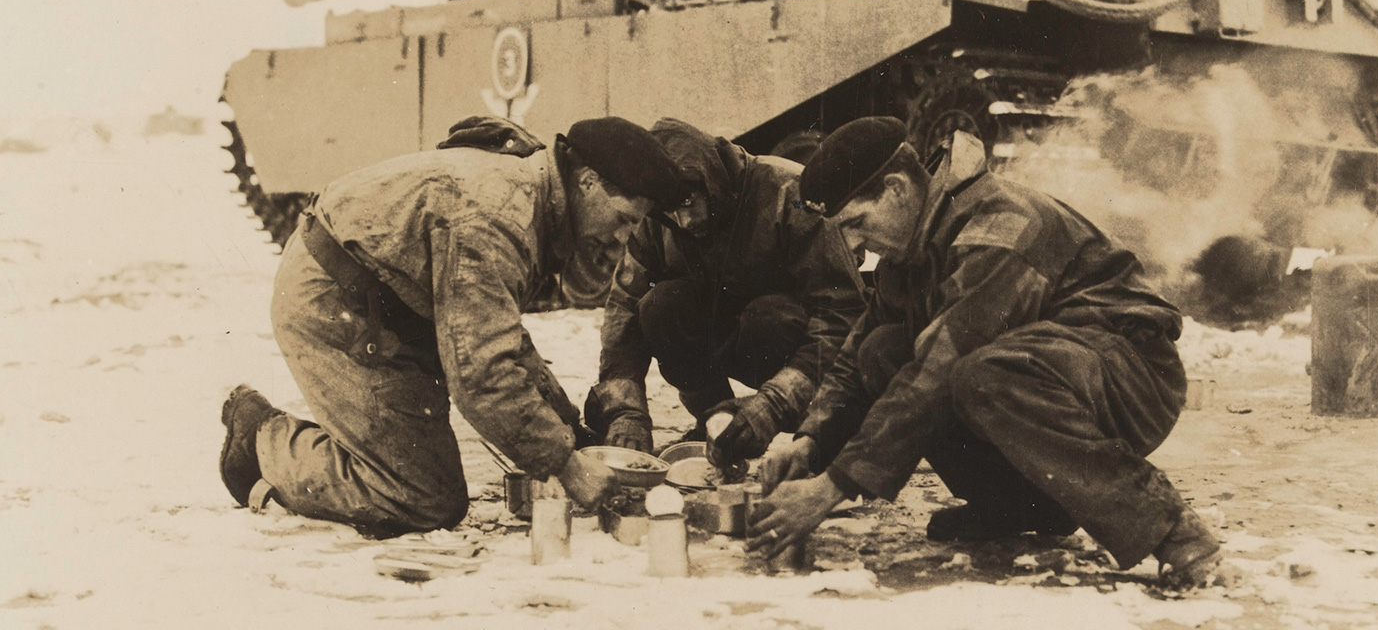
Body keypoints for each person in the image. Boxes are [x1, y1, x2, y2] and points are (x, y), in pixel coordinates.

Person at [747, 116, 1227, 589]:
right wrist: (810, 442)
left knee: (982, 373)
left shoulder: (998, 226)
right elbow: (856, 355)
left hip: (1131, 372)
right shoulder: (909, 247)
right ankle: (1022, 509)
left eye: (855, 223)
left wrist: (831, 488)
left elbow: (938, 368)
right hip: (1055, 368)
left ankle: (1172, 531)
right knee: (882, 351)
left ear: (895, 189)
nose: (853, 245)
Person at [218, 115, 684, 538]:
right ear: (586, 183)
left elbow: (500, 339)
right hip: (334, 303)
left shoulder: (533, 197)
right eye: (623, 219)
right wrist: (565, 465)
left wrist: (570, 433)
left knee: (431, 479)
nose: (624, 238)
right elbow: (481, 374)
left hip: (389, 307)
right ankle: (261, 440)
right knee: (421, 500)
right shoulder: (500, 216)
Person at [584, 119, 865, 464]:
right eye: (671, 207)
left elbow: (843, 312)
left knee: (769, 317)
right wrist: (624, 413)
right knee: (659, 304)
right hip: (722, 335)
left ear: (713, 179)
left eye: (689, 200)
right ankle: (714, 421)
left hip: (787, 346)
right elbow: (623, 313)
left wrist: (775, 402)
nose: (684, 221)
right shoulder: (657, 220)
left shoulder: (788, 192)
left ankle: (814, 426)